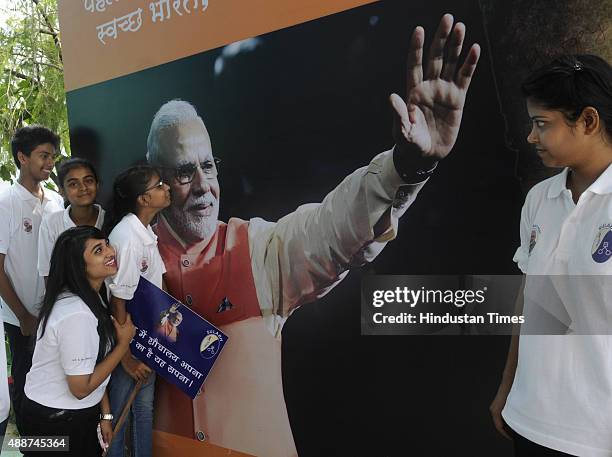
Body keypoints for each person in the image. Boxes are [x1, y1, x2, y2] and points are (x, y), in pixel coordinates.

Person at [146, 14, 480, 457]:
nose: (204, 185)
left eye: (208, 166)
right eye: (186, 171)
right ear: (156, 181)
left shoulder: (259, 250)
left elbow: (334, 226)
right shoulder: (128, 260)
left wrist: (406, 165)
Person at [490, 55, 612, 456]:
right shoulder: (539, 199)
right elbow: (531, 299)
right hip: (530, 421)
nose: (530, 137)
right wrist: (509, 385)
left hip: (596, 436)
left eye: (542, 124)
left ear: (589, 122)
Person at [21, 226, 136, 456]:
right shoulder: (77, 313)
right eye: (98, 250)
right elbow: (80, 388)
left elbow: (91, 366)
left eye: (106, 244)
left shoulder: (92, 297)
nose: (110, 252)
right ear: (78, 266)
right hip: (53, 421)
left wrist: (104, 415)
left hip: (64, 414)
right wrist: (123, 345)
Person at [0, 125, 64, 433]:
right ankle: (31, 448)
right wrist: (24, 316)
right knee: (26, 387)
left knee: (54, 386)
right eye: (43, 155)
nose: (50, 162)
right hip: (20, 317)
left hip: (54, 312)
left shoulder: (56, 201)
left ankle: (53, 447)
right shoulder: (5, 201)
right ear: (22, 157)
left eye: (52, 156)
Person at [105, 165, 171, 457]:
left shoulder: (144, 231)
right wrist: (126, 356)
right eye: (159, 185)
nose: (166, 188)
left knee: (143, 409)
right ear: (143, 199)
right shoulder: (128, 237)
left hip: (148, 336)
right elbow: (118, 299)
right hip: (130, 340)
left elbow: (158, 284)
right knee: (119, 416)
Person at [38, 157, 105, 281]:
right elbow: (48, 274)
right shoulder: (51, 224)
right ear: (62, 191)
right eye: (73, 184)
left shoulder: (110, 220)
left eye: (89, 181)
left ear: (97, 184)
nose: (83, 187)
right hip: (68, 298)